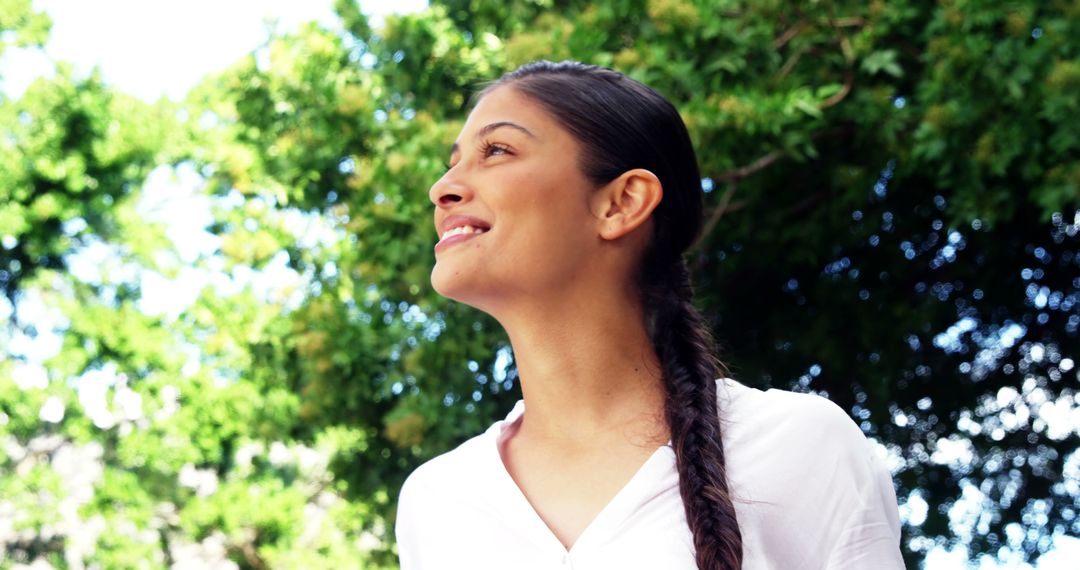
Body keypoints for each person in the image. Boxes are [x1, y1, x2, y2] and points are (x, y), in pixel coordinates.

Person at [395, 60, 905, 570]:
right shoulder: (436, 499)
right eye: (454, 161)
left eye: (498, 150)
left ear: (622, 203)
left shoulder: (802, 448)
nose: (442, 188)